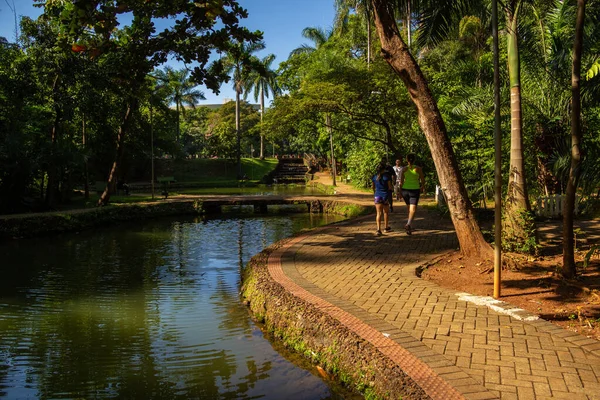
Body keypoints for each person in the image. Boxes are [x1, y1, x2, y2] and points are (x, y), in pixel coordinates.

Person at [399, 153, 425, 235]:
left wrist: (400, 191)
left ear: (407, 160)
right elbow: (422, 180)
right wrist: (422, 187)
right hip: (414, 190)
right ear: (414, 160)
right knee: (413, 209)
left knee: (409, 209)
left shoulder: (404, 169)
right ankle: (408, 224)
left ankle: (408, 226)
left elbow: (401, 182)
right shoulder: (418, 169)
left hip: (405, 190)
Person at [372, 162, 394, 236]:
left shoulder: (374, 177)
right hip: (385, 196)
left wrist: (375, 192)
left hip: (377, 196)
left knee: (378, 213)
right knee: (386, 212)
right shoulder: (386, 177)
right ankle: (386, 227)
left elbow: (373, 187)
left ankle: (378, 229)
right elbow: (390, 187)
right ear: (384, 169)